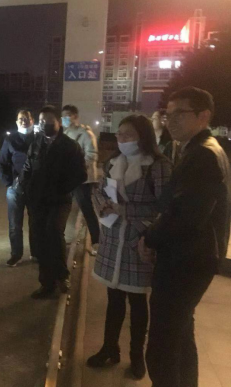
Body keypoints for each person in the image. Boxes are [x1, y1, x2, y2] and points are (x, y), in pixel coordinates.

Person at [140, 87, 231, 387]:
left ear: (203, 116)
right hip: (195, 257)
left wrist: (149, 238)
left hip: (186, 261)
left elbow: (185, 215)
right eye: (168, 114)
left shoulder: (203, 154)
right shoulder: (202, 148)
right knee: (180, 336)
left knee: (162, 347)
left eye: (180, 113)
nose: (171, 120)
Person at [87, 115, 172, 380]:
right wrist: (102, 205)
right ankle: (110, 348)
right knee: (113, 300)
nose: (121, 139)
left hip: (139, 241)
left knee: (137, 302)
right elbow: (98, 190)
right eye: (119, 134)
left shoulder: (158, 166)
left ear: (143, 136)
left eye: (128, 134)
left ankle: (137, 356)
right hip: (113, 239)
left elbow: (165, 208)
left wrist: (125, 210)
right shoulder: (114, 161)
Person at [17, 106, 87, 298]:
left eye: (48, 121)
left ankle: (62, 276)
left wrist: (61, 189)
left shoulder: (70, 146)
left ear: (58, 122)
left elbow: (81, 174)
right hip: (38, 200)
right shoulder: (36, 143)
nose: (44, 124)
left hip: (59, 201)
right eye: (41, 121)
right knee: (40, 239)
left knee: (54, 233)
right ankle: (46, 283)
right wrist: (24, 184)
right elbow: (28, 166)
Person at [0, 109, 36, 267]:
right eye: (21, 119)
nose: (24, 121)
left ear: (32, 121)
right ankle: (16, 254)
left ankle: (36, 253)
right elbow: (1, 163)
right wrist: (9, 183)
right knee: (15, 224)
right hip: (15, 190)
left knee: (35, 223)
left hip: (34, 189)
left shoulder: (39, 139)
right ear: (16, 122)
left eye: (27, 118)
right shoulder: (10, 140)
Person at [61, 105, 101, 254]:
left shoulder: (86, 134)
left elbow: (92, 155)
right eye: (63, 116)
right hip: (67, 178)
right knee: (63, 207)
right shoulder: (64, 133)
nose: (65, 119)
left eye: (68, 115)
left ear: (76, 117)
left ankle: (96, 241)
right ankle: (62, 238)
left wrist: (75, 166)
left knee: (86, 209)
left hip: (82, 179)